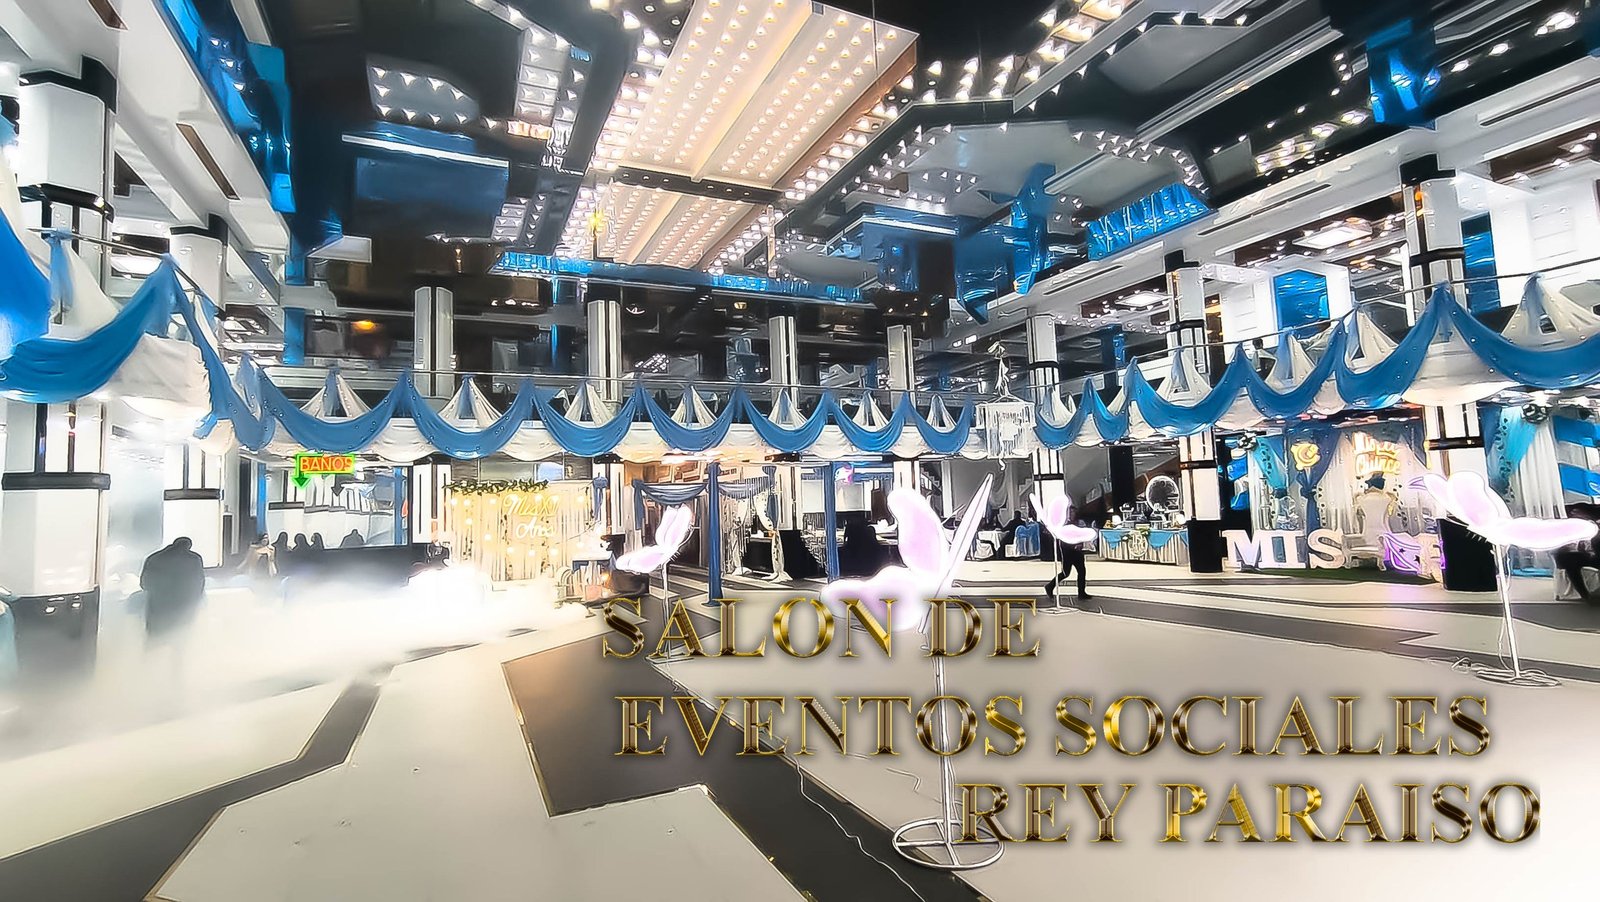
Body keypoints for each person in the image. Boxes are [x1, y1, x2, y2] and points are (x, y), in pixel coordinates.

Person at [140, 537, 206, 646]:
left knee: (154, 639)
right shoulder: (194, 559)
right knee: (180, 639)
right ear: (188, 546)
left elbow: (144, 584)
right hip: (183, 605)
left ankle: (149, 656)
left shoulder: (154, 558)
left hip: (157, 606)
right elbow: (199, 582)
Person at [1044, 518, 1093, 603]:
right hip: (1068, 552)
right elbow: (1062, 540)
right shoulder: (1063, 525)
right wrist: (1072, 546)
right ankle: (1050, 586)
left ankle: (1081, 592)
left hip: (1077, 552)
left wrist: (1080, 544)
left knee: (1082, 572)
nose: (1073, 514)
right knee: (1065, 573)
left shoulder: (1076, 523)